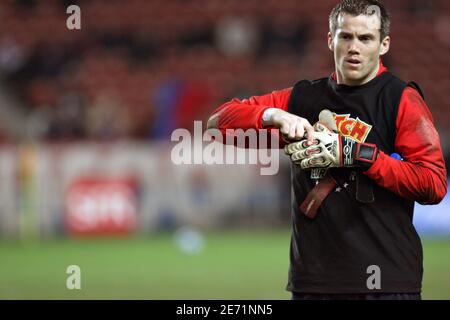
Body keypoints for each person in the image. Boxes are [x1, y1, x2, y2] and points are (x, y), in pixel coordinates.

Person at [207, 0, 448, 300]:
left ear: (384, 44)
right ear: (330, 39)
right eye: (346, 36)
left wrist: (353, 153)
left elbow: (433, 184)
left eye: (366, 38)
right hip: (314, 283)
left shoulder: (401, 99)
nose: (354, 47)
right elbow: (218, 123)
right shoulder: (303, 99)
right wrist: (274, 115)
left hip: (386, 282)